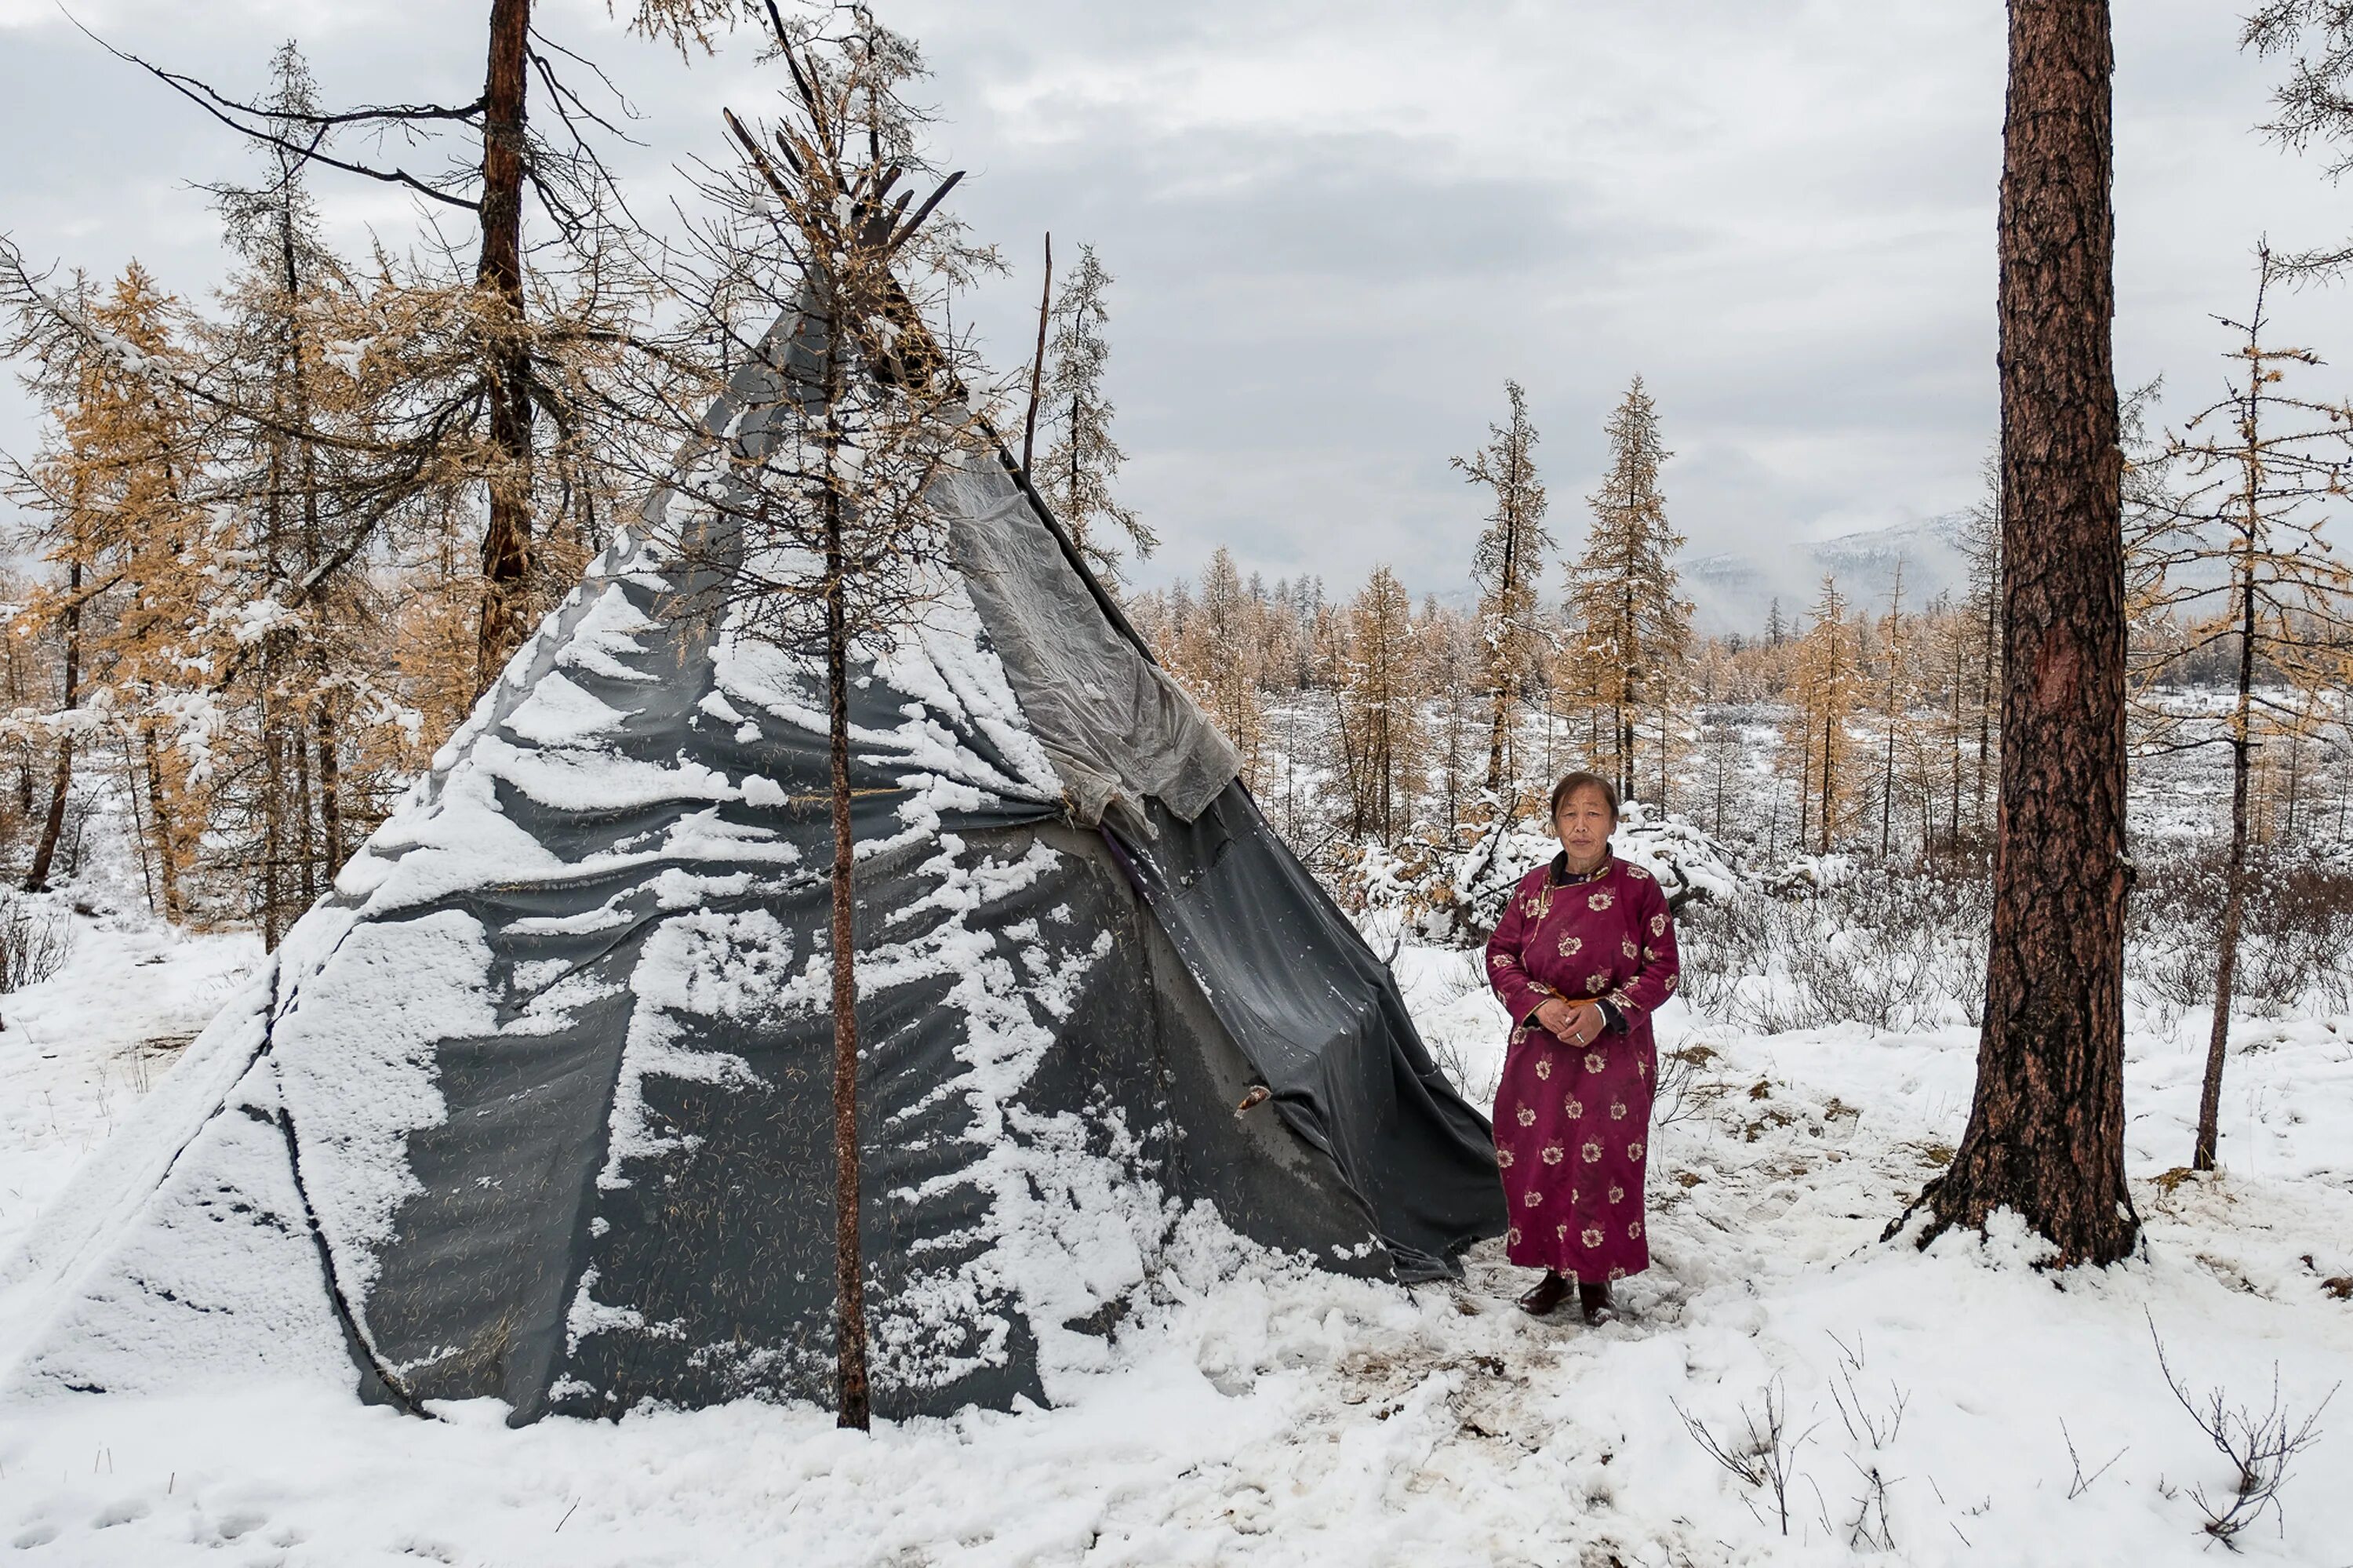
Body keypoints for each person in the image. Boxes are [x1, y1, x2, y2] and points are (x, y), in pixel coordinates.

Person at [1482, 770, 1681, 1323]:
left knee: (1603, 1162)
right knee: (1542, 1158)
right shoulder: (1531, 890)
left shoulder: (1639, 887)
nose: (1581, 824)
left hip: (1612, 1051)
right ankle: (1554, 1272)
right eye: (1570, 813)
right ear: (1556, 823)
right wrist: (1539, 1005)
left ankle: (1597, 1282)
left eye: (1593, 812)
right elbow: (1500, 955)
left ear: (1613, 822)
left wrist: (1604, 1012)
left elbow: (1663, 968)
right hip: (1541, 1052)